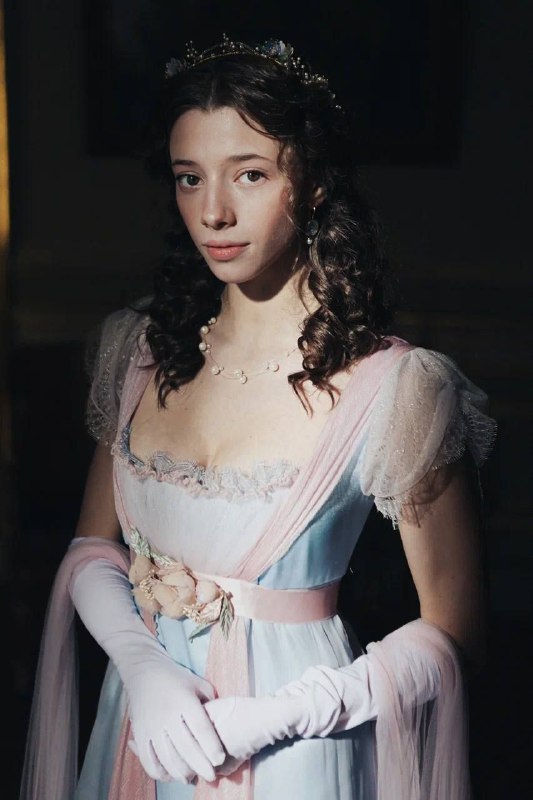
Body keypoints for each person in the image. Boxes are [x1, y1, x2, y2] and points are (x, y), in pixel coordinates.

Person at [20, 35, 497, 800]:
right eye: (189, 177)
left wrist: (277, 717)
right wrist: (141, 667)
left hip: (292, 745)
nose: (212, 211)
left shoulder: (395, 387)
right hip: (145, 727)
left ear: (313, 183)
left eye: (250, 174)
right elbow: (91, 548)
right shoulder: (140, 351)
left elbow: (454, 628)